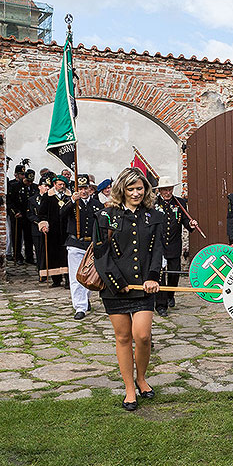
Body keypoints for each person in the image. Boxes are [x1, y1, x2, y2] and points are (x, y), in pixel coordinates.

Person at [93, 167, 163, 411]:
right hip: (115, 289)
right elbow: (101, 254)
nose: (136, 193)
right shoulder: (106, 215)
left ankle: (142, 378)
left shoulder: (154, 216)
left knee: (142, 336)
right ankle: (129, 389)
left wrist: (153, 277)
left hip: (144, 287)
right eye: (131, 188)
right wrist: (117, 282)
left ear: (146, 190)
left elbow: (157, 251)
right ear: (121, 189)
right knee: (123, 337)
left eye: (139, 188)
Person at [153, 176, 197, 316]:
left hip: (173, 244)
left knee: (173, 273)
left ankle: (170, 294)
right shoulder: (153, 203)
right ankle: (161, 305)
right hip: (158, 245)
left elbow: (185, 221)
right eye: (165, 190)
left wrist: (191, 225)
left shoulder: (180, 202)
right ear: (159, 190)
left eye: (170, 189)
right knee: (160, 275)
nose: (168, 192)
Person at [62, 174, 104, 320]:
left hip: (90, 245)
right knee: (75, 276)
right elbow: (61, 214)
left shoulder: (96, 205)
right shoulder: (72, 203)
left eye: (85, 188)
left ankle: (85, 299)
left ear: (90, 189)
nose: (83, 191)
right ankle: (80, 306)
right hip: (75, 243)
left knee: (89, 275)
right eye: (80, 188)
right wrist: (72, 201)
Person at [37, 174, 71, 288]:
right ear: (55, 185)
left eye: (63, 184)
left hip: (66, 230)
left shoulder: (69, 197)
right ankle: (56, 280)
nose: (62, 186)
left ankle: (68, 280)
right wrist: (43, 225)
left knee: (66, 255)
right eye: (59, 184)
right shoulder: (47, 197)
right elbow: (42, 213)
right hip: (52, 231)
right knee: (53, 255)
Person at [27, 174, 51, 282]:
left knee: (48, 251)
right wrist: (40, 223)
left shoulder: (51, 199)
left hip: (49, 228)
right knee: (39, 251)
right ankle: (41, 272)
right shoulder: (32, 200)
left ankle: (49, 271)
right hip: (37, 229)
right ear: (39, 186)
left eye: (48, 186)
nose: (47, 188)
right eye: (45, 185)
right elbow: (30, 214)